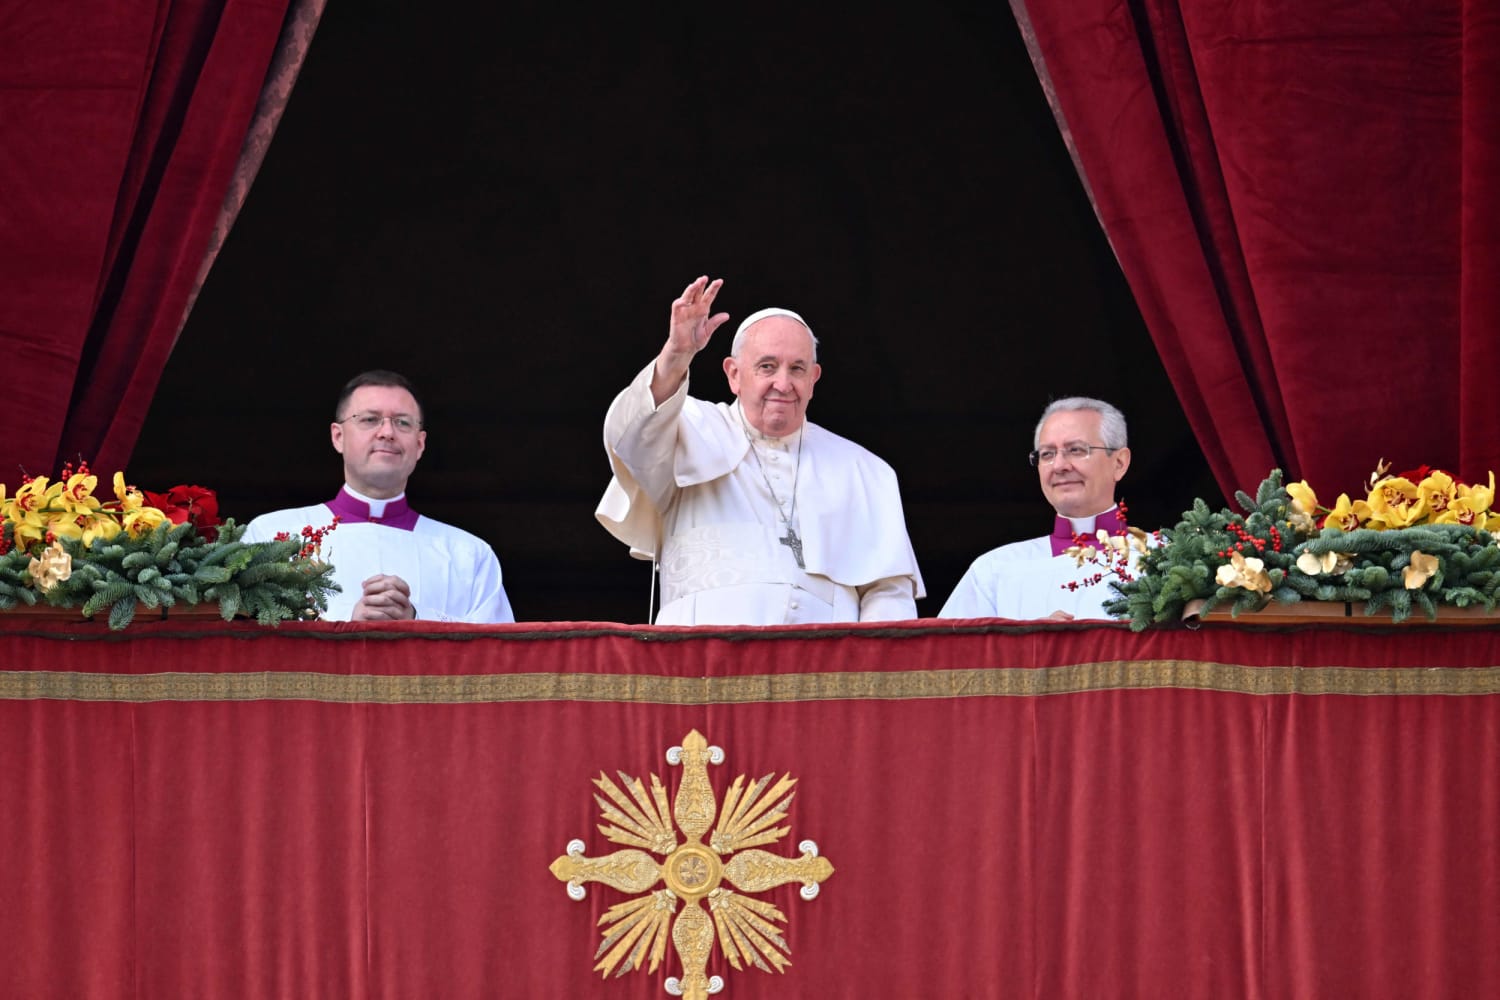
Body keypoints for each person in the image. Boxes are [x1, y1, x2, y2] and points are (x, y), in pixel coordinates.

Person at [596, 275, 924, 625]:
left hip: (823, 675)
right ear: (734, 374)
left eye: (797, 369)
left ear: (814, 378)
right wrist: (676, 356)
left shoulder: (863, 470)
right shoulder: (686, 428)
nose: (782, 384)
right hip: (701, 671)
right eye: (767, 366)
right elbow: (628, 435)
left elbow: (889, 597)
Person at [244, 370, 515, 623]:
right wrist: (347, 623)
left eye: (403, 423)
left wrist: (415, 619)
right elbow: (246, 644)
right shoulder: (271, 536)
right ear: (338, 437)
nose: (387, 432)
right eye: (370, 419)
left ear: (420, 444)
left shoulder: (467, 554)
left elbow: (499, 659)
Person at [940, 397, 1136, 620]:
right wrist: (1029, 645)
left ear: (1119, 463)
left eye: (1077, 450)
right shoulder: (994, 570)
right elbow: (947, 652)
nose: (1060, 466)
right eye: (1047, 454)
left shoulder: (1168, 560)